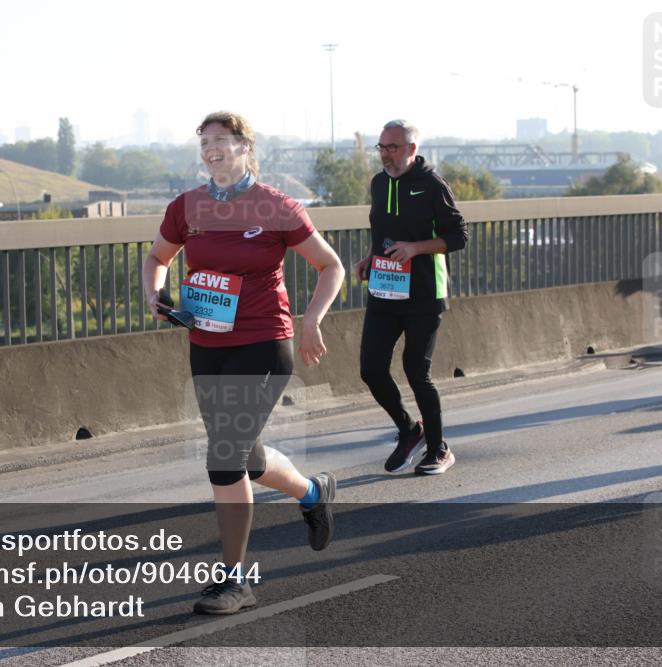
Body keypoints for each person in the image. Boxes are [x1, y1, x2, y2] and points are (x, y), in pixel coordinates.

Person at [143, 111, 345, 615]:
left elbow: (331, 265)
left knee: (224, 458)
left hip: (263, 342)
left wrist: (311, 320)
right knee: (244, 458)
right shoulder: (187, 207)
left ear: (244, 147)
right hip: (206, 343)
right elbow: (157, 258)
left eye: (220, 140)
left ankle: (236, 580)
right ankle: (312, 491)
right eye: (204, 142)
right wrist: (155, 294)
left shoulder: (275, 205)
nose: (210, 148)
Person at [355, 119, 468, 476]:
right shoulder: (378, 183)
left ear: (412, 149)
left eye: (393, 147)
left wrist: (415, 248)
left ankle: (438, 449)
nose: (385, 155)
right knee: (371, 369)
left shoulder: (432, 185)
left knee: (416, 371)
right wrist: (369, 257)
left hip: (424, 292)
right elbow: (382, 230)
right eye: (382, 147)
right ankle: (409, 431)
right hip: (384, 289)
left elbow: (459, 236)